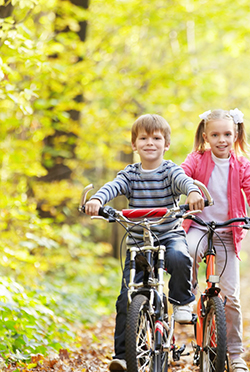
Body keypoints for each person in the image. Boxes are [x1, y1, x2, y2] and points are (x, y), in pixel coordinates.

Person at [83, 114, 204, 371]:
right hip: (138, 244)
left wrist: (192, 191)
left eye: (157, 138)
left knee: (181, 257)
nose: (150, 143)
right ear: (134, 145)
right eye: (144, 138)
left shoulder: (170, 170)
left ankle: (182, 301)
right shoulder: (130, 174)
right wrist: (97, 200)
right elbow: (112, 187)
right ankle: (123, 357)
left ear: (166, 144)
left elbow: (184, 182)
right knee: (126, 300)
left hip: (168, 236)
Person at [181, 108, 250, 372]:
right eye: (216, 134)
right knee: (187, 252)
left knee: (231, 297)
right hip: (199, 226)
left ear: (236, 134)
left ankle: (236, 353)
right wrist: (191, 190)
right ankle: (186, 298)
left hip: (227, 233)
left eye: (227, 134)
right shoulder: (197, 159)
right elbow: (181, 175)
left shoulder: (242, 165)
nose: (222, 139)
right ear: (206, 136)